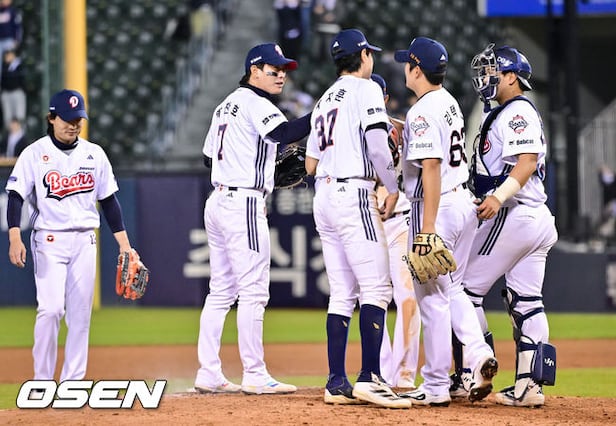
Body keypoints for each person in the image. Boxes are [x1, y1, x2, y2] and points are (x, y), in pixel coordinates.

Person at [195, 43, 311, 395]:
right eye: (274, 70)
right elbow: (284, 134)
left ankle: (208, 372)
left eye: (284, 70)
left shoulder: (225, 105)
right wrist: (322, 114)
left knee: (220, 292)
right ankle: (255, 373)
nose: (281, 76)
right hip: (243, 201)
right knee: (254, 290)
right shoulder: (256, 103)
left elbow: (207, 158)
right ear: (254, 70)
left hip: (218, 199)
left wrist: (250, 163)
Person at [305, 28, 411, 409]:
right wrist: (391, 187)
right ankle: (370, 377)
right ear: (364, 56)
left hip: (324, 196)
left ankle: (336, 381)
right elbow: (378, 146)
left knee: (342, 293)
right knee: (377, 288)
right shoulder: (365, 90)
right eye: (370, 53)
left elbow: (309, 163)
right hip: (355, 193)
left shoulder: (323, 99)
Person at [392, 37, 498, 406]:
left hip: (435, 207)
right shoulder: (448, 101)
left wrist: (427, 228)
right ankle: (478, 353)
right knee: (452, 290)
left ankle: (436, 385)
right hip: (462, 202)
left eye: (408, 63)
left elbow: (432, 166)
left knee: (432, 299)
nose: (405, 68)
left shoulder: (421, 111)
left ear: (416, 70)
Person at [5, 89, 134, 388]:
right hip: (49, 240)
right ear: (51, 118)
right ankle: (42, 380)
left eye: (78, 120)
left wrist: (125, 244)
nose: (74, 125)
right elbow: (15, 196)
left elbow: (109, 202)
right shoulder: (34, 153)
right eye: (67, 119)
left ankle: (72, 383)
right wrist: (14, 236)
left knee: (80, 316)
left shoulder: (94, 154)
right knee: (50, 310)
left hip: (85, 241)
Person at [461, 43, 558, 407]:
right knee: (527, 301)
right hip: (534, 216)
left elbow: (527, 161)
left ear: (512, 77)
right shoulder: (506, 111)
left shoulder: (517, 111)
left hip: (516, 212)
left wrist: (498, 197)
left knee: (462, 290)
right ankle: (529, 388)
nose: (485, 77)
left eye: (493, 72)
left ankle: (473, 370)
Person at [370, 73, 420, 390]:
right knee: (372, 298)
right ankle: (379, 370)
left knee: (408, 298)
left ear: (385, 99)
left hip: (400, 219)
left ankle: (403, 374)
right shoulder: (350, 130)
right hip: (368, 222)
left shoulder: (403, 129)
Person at [1, 48, 26, 131]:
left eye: (9, 55)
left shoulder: (19, 65)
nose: (7, 57)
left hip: (17, 92)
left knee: (19, 115)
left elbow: (20, 79)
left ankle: (20, 133)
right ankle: (10, 134)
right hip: (6, 93)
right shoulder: (4, 66)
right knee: (8, 116)